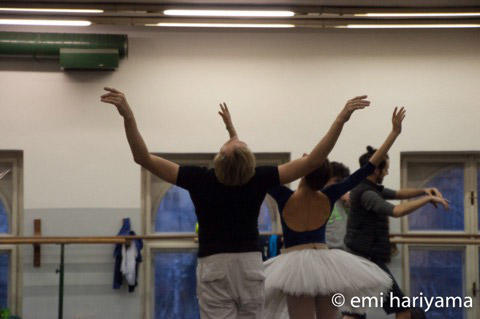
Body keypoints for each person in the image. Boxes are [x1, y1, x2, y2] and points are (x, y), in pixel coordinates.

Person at [100, 87, 370, 319]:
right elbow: (313, 160)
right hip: (249, 264)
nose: (234, 139)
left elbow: (143, 157)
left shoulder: (200, 178)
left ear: (219, 159)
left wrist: (128, 115)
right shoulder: (258, 177)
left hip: (215, 264)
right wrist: (340, 119)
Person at [263, 107, 407, 319]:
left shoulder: (284, 196)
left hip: (295, 267)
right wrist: (394, 133)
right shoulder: (330, 195)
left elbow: (254, 173)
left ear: (302, 171)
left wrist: (231, 131)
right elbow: (367, 168)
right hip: (326, 265)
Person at [342, 146, 449, 319]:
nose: (388, 171)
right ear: (376, 169)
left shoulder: (367, 187)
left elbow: (398, 194)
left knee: (354, 313)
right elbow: (396, 211)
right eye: (386, 168)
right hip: (366, 262)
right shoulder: (367, 193)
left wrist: (424, 190)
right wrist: (427, 199)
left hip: (361, 259)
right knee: (403, 311)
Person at [325, 161, 351, 250]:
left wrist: (348, 203)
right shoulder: (317, 198)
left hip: (341, 249)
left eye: (342, 182)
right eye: (336, 181)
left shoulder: (343, 198)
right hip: (323, 249)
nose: (339, 185)